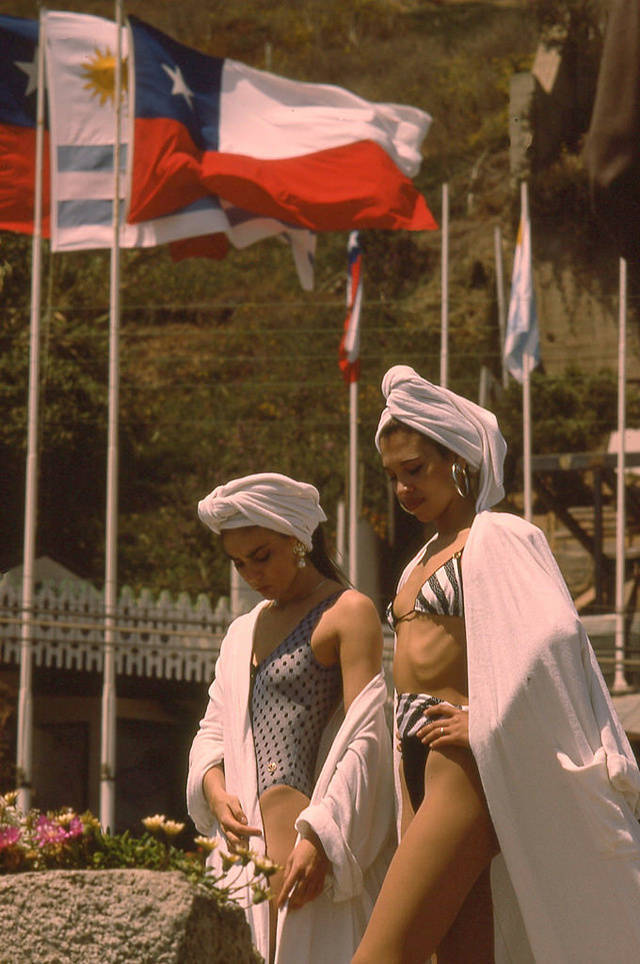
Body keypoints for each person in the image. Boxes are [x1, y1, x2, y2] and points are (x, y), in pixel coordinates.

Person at [353, 365, 640, 964]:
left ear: (460, 460)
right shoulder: (423, 557)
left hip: (459, 766)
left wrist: (484, 719)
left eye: (416, 470)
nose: (404, 488)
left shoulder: (499, 537)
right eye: (393, 476)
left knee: (380, 956)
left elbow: (553, 639)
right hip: (415, 759)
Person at [186, 473, 395, 964]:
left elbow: (367, 736)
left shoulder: (348, 611)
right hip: (241, 867)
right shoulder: (242, 631)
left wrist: (323, 838)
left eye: (262, 556)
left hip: (312, 860)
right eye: (239, 563)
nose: (252, 574)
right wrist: (214, 792)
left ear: (299, 540)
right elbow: (213, 729)